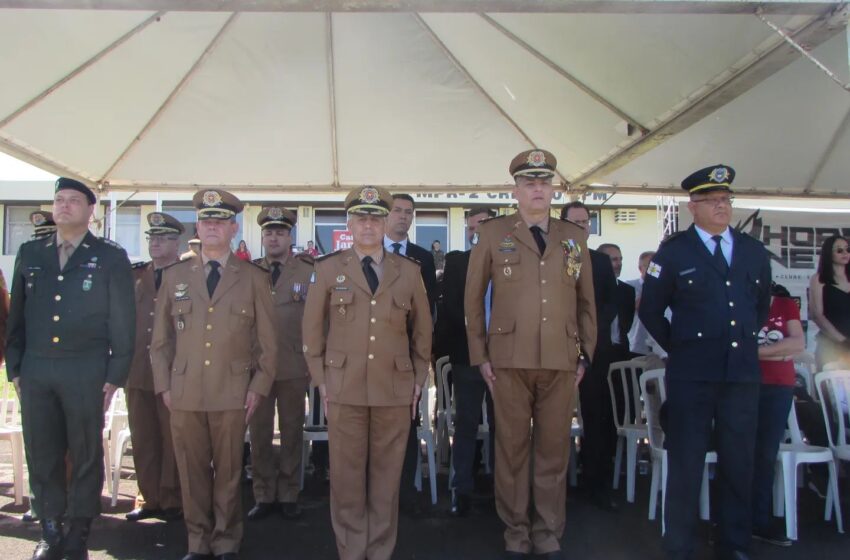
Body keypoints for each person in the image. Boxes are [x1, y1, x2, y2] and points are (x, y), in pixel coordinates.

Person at [465, 149, 596, 559]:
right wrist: (480, 355)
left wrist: (586, 355)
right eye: (529, 182)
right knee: (512, 448)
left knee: (554, 449)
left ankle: (547, 529)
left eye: (544, 182)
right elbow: (471, 300)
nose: (537, 189)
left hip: (560, 357)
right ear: (516, 190)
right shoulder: (493, 233)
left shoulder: (573, 238)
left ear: (553, 189)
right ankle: (516, 529)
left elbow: (586, 301)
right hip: (508, 359)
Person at [640, 165, 772, 560]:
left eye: (726, 200)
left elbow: (759, 307)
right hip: (692, 375)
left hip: (740, 373)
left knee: (738, 461)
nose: (722, 206)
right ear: (692, 206)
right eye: (713, 200)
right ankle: (680, 544)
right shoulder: (675, 251)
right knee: (687, 462)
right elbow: (650, 310)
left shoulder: (751, 250)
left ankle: (733, 542)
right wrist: (679, 348)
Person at [6, 177, 136, 560]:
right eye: (59, 199)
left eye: (73, 200)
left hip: (87, 369)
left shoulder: (110, 256)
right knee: (41, 452)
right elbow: (17, 319)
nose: (63, 206)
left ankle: (79, 530)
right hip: (37, 370)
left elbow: (123, 323)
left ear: (90, 209)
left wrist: (115, 376)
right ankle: (50, 529)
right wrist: (16, 368)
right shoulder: (31, 253)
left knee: (85, 453)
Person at [302, 185, 432, 560]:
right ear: (350, 222)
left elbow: (423, 332)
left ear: (386, 221)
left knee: (387, 478)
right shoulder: (328, 269)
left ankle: (379, 551)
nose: (369, 225)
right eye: (361, 218)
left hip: (394, 388)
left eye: (376, 218)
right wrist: (321, 380)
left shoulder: (408, 272)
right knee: (346, 478)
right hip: (343, 388)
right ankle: (351, 549)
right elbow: (312, 332)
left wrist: (418, 379)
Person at [150, 189, 277, 560]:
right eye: (206, 221)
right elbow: (160, 342)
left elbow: (268, 344)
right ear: (198, 226)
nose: (212, 227)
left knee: (229, 472)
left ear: (233, 228)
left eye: (220, 221)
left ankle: (226, 541)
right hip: (184, 390)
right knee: (191, 473)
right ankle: (197, 542)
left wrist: (258, 386)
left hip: (233, 390)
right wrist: (164, 387)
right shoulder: (175, 275)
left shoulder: (253, 277)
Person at [247, 207, 314, 521]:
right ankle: (263, 494)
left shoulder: (307, 270)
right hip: (257, 367)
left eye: (280, 232)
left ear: (290, 237)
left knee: (291, 431)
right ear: (262, 237)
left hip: (292, 364)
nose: (274, 238)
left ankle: (289, 493)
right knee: (259, 433)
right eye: (269, 233)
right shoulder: (250, 272)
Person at [125, 212, 185, 523]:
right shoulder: (134, 276)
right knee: (143, 436)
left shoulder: (188, 275)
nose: (156, 243)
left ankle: (173, 496)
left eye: (163, 238)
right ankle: (148, 497)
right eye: (152, 238)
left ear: (178, 243)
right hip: (137, 369)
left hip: (174, 371)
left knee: (172, 437)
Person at [560, 201, 619, 511]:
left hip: (593, 352)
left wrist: (589, 333)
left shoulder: (599, 261)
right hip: (558, 350)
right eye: (576, 222)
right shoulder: (555, 257)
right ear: (563, 224)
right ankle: (555, 486)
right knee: (553, 419)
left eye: (586, 222)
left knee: (596, 417)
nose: (582, 226)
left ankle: (596, 483)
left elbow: (610, 304)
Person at [383, 192, 437, 514]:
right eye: (398, 211)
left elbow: (427, 312)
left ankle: (406, 491)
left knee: (408, 423)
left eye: (409, 212)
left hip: (406, 358)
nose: (403, 216)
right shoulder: (371, 253)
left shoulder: (422, 258)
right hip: (374, 355)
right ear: (387, 216)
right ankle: (378, 495)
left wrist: (422, 356)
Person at [441, 207, 497, 517]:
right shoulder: (456, 261)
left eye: (484, 225)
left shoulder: (507, 260)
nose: (477, 231)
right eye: (473, 226)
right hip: (468, 357)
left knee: (506, 427)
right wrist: (477, 339)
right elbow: (449, 307)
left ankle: (505, 490)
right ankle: (460, 489)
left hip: (505, 358)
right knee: (465, 424)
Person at [751, 282, 804, 548]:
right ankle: (729, 519)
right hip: (744, 385)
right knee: (735, 450)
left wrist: (755, 352)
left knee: (765, 453)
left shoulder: (786, 305)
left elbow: (798, 344)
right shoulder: (742, 304)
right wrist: (779, 353)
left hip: (779, 386)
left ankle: (760, 519)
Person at [809, 234, 850, 369]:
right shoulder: (819, 279)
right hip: (830, 345)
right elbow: (817, 315)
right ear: (829, 253)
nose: (845, 253)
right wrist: (842, 341)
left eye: (847, 249)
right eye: (839, 250)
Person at [598, 243, 636, 363]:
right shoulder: (592, 289)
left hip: (621, 351)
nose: (619, 264)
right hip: (598, 351)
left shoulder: (628, 291)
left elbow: (627, 322)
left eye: (620, 259)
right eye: (614, 259)